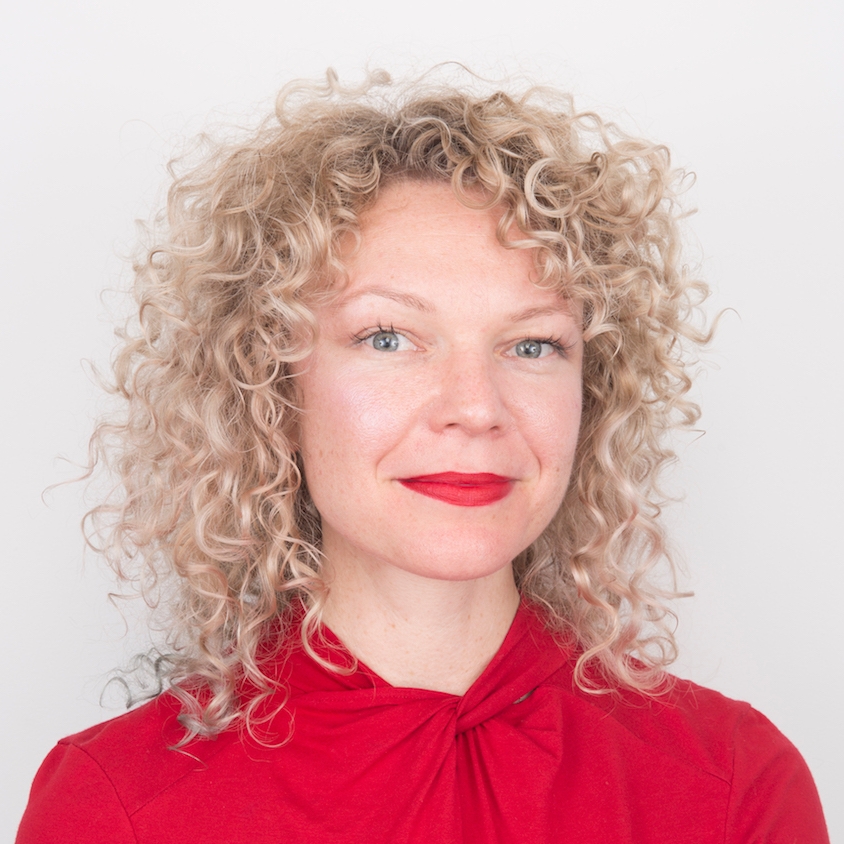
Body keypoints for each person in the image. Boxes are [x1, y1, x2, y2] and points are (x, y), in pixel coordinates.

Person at [16, 69, 828, 843]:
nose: (475, 407)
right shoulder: (115, 807)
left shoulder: (730, 785)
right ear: (270, 384)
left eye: (534, 344)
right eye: (387, 337)